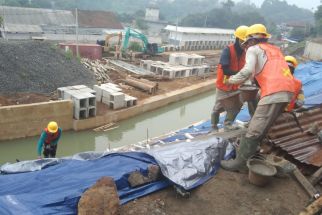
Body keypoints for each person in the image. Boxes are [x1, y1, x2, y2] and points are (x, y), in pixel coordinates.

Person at [220, 24, 295, 172]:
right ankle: (253, 154)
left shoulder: (254, 49)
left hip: (274, 91)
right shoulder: (276, 50)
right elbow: (267, 71)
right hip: (288, 91)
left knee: (254, 129)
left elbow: (247, 70)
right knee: (263, 127)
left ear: (252, 40)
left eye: (247, 44)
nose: (246, 47)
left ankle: (239, 164)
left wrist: (231, 80)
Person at [211, 25, 248, 131]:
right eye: (243, 41)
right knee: (218, 107)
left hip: (236, 86)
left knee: (237, 106)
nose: (244, 44)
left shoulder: (246, 53)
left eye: (246, 42)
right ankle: (214, 126)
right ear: (237, 39)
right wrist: (241, 74)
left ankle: (228, 124)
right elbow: (225, 69)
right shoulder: (228, 50)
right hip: (224, 85)